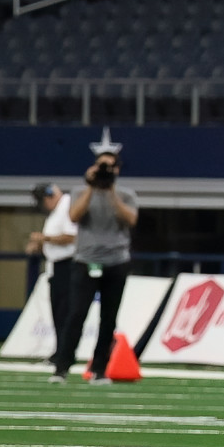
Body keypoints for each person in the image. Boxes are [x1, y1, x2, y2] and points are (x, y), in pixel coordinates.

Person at [49, 129, 139, 384]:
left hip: (116, 261)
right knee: (76, 314)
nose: (105, 170)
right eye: (102, 166)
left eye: (110, 167)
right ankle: (62, 367)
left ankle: (99, 369)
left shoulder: (126, 195)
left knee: (108, 318)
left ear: (118, 170)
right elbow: (74, 217)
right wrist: (92, 186)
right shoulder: (79, 192)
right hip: (86, 260)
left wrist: (109, 189)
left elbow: (130, 219)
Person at [26, 182, 78, 360]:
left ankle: (65, 352)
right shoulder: (56, 212)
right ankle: (60, 350)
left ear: (49, 197)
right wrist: (41, 244)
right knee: (57, 311)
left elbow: (71, 237)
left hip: (68, 265)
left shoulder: (67, 207)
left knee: (64, 310)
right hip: (56, 265)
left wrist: (43, 238)